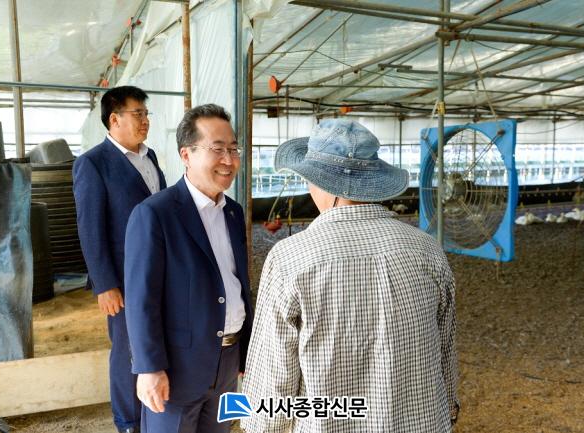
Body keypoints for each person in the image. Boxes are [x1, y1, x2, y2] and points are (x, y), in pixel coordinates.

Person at [241, 119, 459, 433]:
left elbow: (274, 374)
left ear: (321, 183)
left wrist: (263, 425)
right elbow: (445, 348)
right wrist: (449, 405)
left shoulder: (290, 258)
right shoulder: (427, 249)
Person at [124, 103, 253, 433]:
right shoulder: (156, 214)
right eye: (217, 149)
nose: (229, 160)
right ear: (186, 154)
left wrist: (244, 352)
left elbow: (237, 283)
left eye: (233, 149)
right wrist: (149, 368)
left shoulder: (233, 212)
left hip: (227, 362)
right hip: (177, 367)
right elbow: (141, 300)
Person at [73, 85, 166, 433]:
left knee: (154, 341)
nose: (145, 120)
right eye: (137, 113)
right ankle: (128, 422)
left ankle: (153, 412)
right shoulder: (93, 163)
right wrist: (105, 284)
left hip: (159, 270)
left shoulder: (149, 157)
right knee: (128, 347)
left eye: (146, 114)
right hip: (123, 280)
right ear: (114, 119)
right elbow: (90, 228)